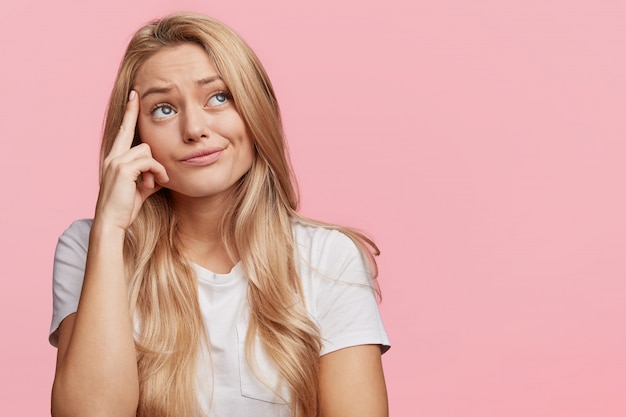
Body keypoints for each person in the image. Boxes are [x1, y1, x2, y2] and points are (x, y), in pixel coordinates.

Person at [49, 12, 390, 417]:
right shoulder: (89, 246)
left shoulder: (328, 258)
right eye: (163, 109)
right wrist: (110, 228)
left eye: (218, 97)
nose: (194, 128)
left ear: (255, 108)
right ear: (134, 136)